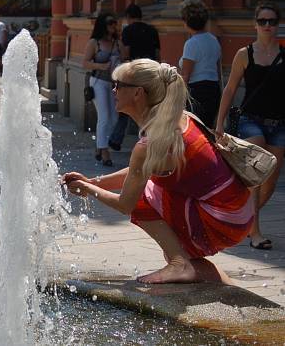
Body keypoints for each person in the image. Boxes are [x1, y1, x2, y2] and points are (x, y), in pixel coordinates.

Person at [64, 59, 254, 284]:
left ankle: (178, 264)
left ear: (138, 93)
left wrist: (87, 188)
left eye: (118, 85)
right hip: (238, 212)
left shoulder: (151, 143)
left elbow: (127, 203)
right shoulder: (174, 121)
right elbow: (141, 171)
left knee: (146, 201)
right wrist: (94, 181)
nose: (113, 89)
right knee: (176, 245)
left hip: (224, 218)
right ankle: (209, 278)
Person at [215, 1, 284, 251]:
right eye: (262, 21)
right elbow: (230, 88)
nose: (267, 26)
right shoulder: (245, 54)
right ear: (255, 24)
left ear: (278, 24)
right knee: (257, 171)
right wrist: (220, 122)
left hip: (279, 123)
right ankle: (255, 232)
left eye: (272, 21)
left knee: (271, 179)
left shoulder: (283, 54)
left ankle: (244, 219)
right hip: (250, 120)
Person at [108, 4, 160, 152]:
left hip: (133, 74)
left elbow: (125, 54)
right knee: (148, 107)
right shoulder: (152, 31)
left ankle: (117, 139)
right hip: (150, 73)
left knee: (127, 107)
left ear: (128, 17)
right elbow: (158, 55)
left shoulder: (128, 31)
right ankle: (148, 140)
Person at [82, 13, 126, 166]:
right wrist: (101, 65)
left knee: (114, 118)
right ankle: (104, 151)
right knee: (105, 116)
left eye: (115, 24)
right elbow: (85, 63)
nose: (114, 27)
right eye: (110, 24)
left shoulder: (117, 43)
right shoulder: (95, 43)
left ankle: (99, 147)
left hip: (113, 83)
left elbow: (126, 59)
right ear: (103, 26)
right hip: (98, 81)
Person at [178, 0, 222, 128]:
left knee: (194, 131)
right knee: (208, 129)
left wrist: (178, 98)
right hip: (214, 89)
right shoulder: (214, 40)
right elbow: (218, 69)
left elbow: (186, 75)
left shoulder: (191, 44)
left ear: (187, 21)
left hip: (196, 92)